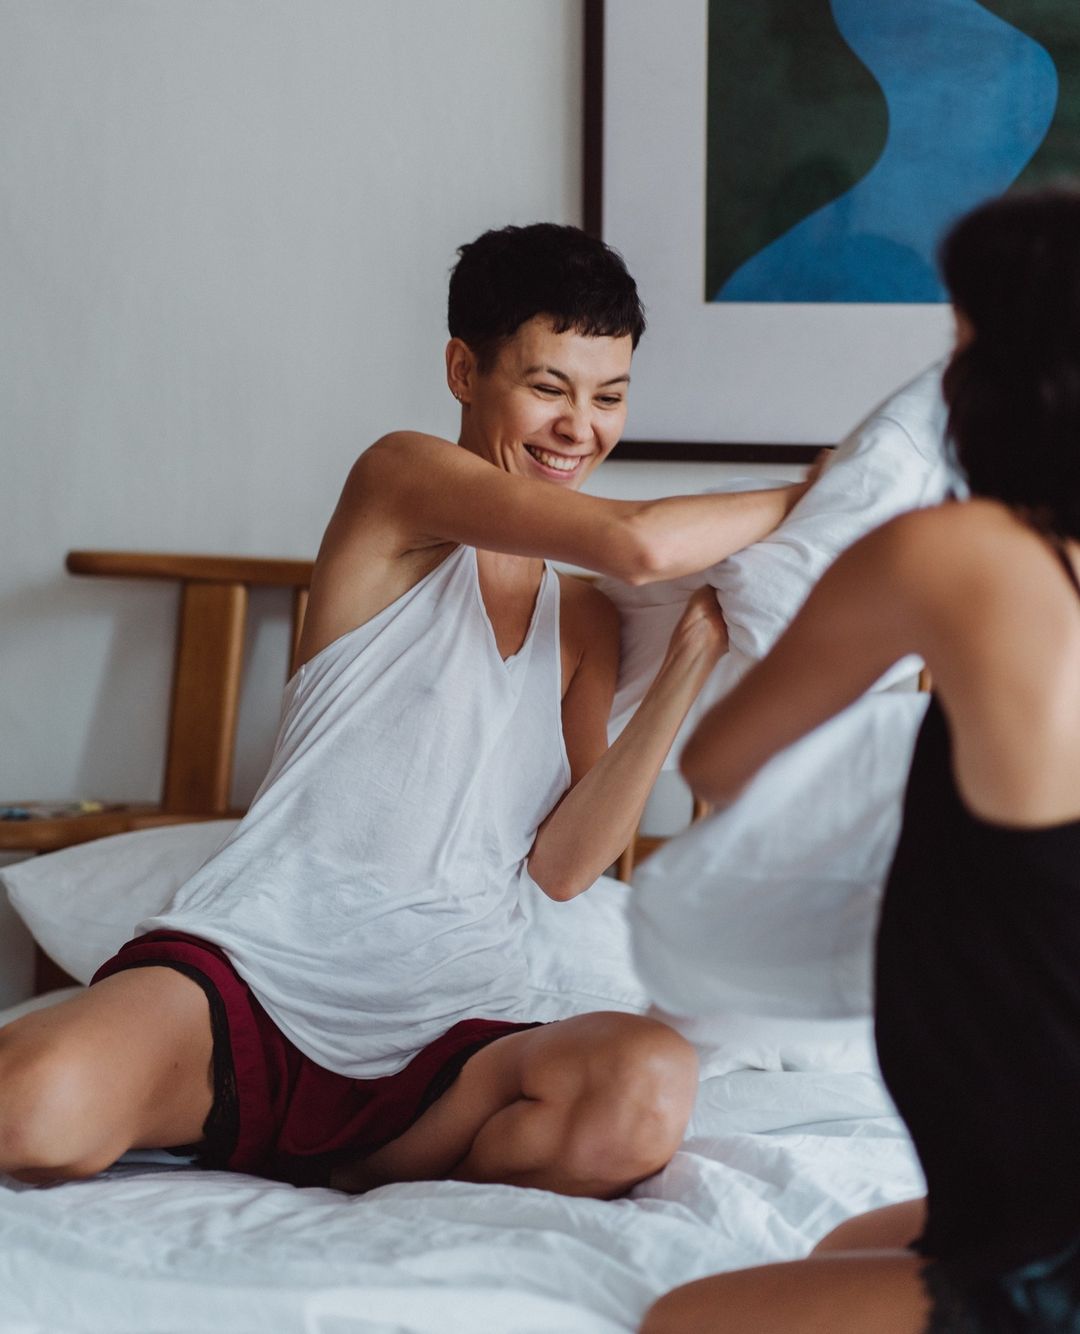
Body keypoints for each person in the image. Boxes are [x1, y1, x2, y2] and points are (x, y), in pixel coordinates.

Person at [0, 222, 811, 1197]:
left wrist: (686, 661)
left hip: (450, 1020)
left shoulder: (588, 620)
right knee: (28, 1106)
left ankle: (363, 1162)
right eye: (549, 387)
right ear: (464, 370)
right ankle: (289, 1134)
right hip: (257, 976)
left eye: (609, 397)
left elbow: (564, 868)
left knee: (646, 1083)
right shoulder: (399, 483)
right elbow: (638, 542)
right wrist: (836, 491)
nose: (578, 427)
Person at [641, 187, 1080, 1332]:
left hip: (1050, 1199)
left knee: (682, 1322)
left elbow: (721, 758)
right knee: (842, 1245)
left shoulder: (952, 553)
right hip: (1022, 1169)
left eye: (960, 339)